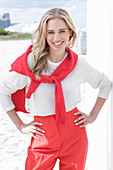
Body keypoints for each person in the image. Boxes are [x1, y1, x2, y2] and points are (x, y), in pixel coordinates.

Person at [0, 8, 112, 170]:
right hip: (42, 134)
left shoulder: (80, 64)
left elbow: (106, 84)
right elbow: (2, 89)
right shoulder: (31, 63)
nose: (56, 37)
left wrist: (93, 115)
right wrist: (20, 125)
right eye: (50, 32)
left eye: (62, 31)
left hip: (74, 133)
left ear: (70, 33)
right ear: (44, 35)